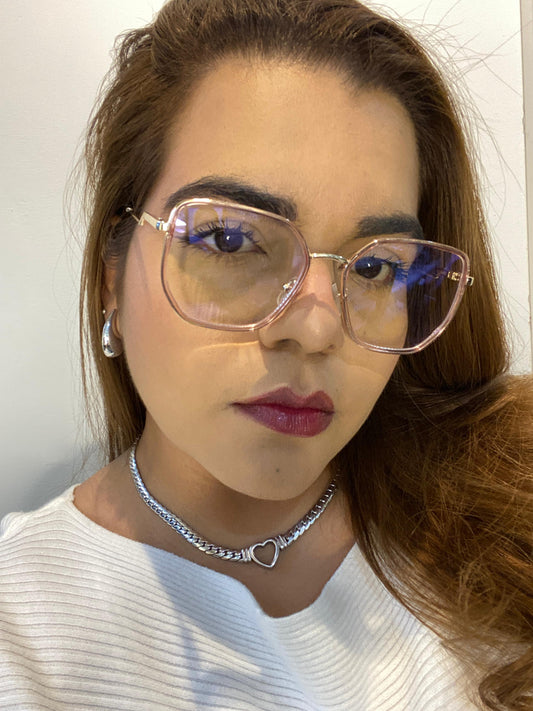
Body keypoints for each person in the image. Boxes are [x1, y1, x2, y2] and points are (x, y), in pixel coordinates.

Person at [1, 0, 531, 709]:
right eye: (229, 240)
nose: (315, 329)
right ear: (111, 283)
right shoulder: (22, 633)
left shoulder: (503, 503)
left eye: (377, 267)